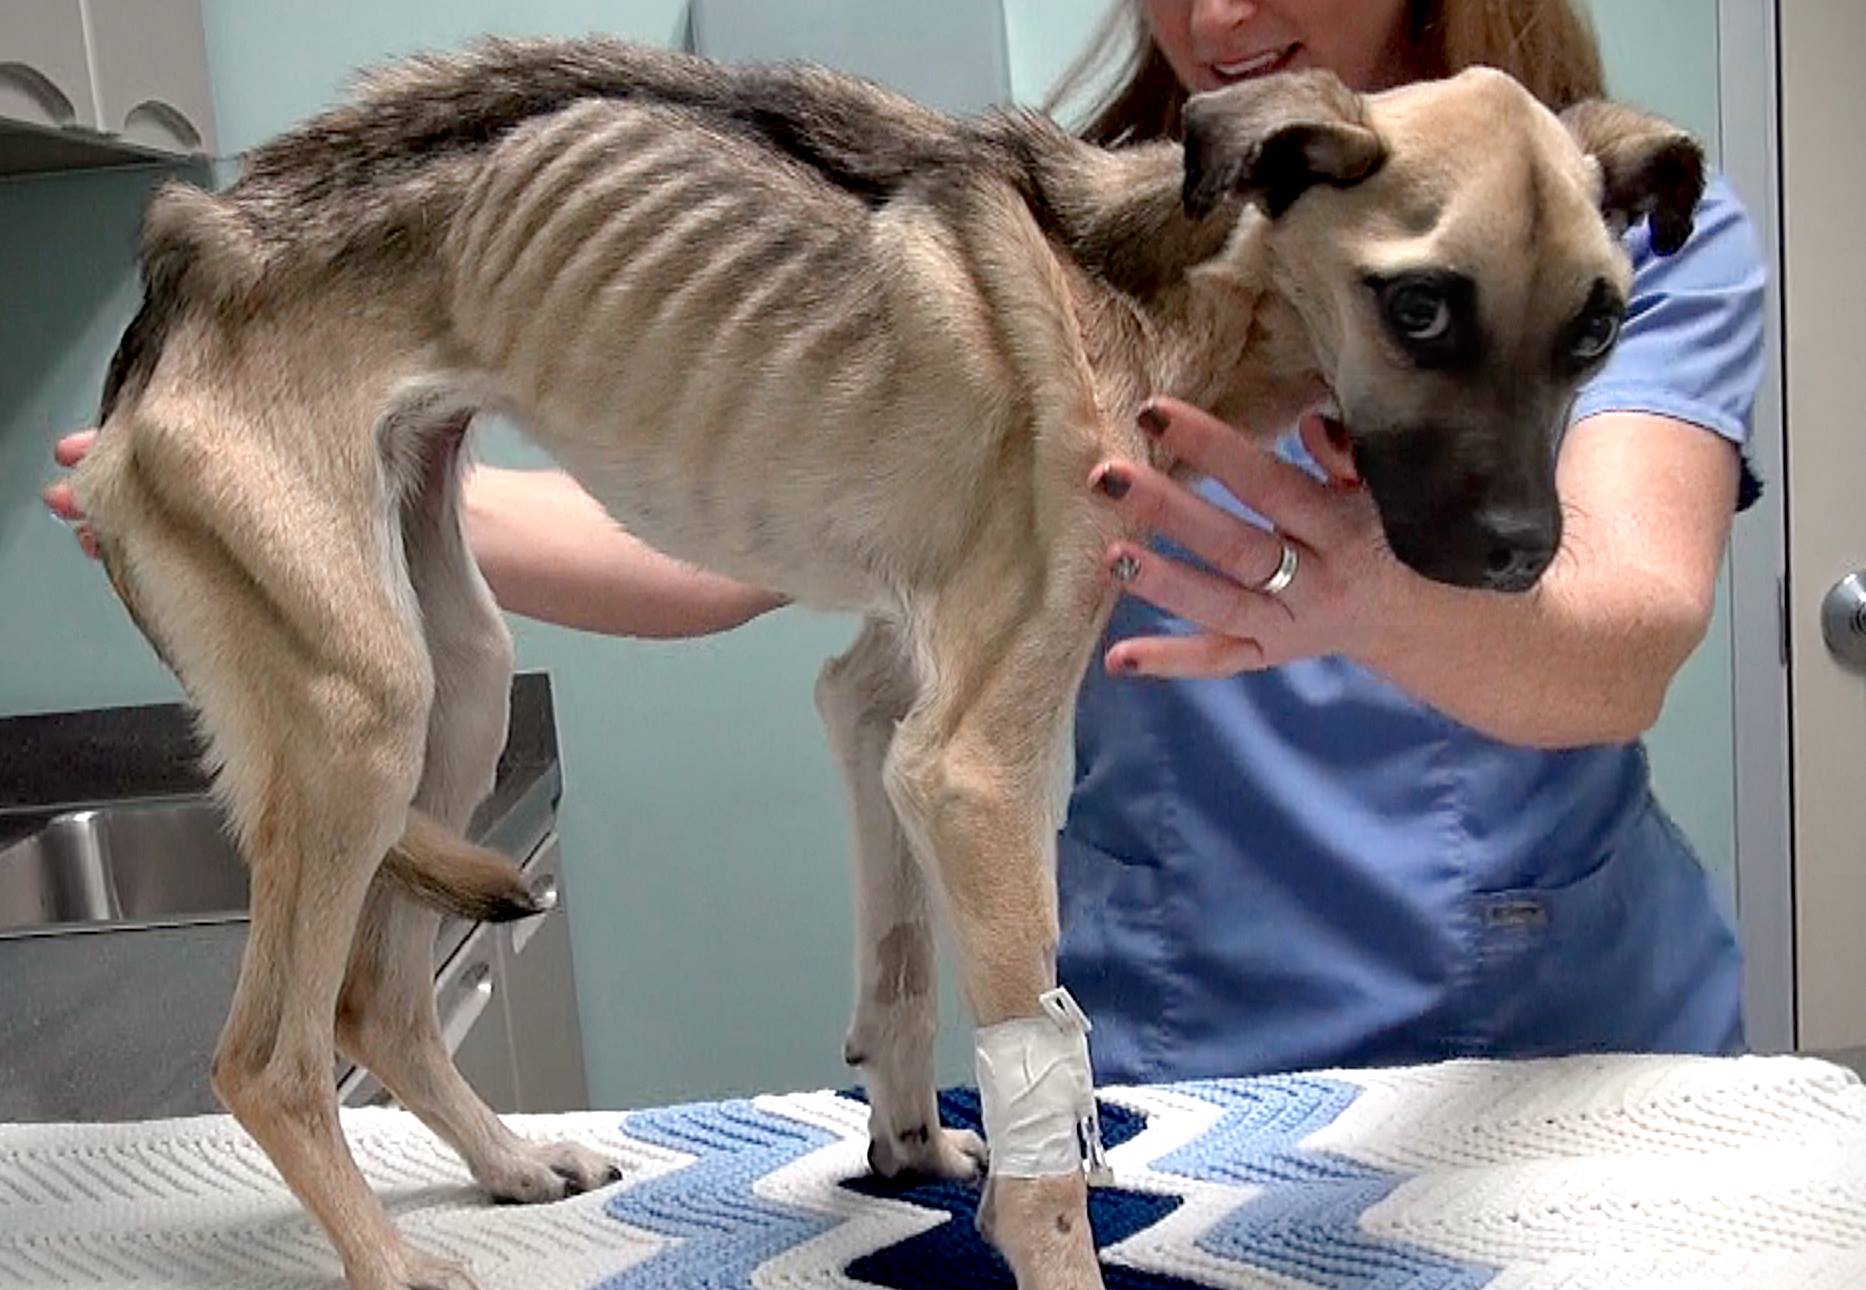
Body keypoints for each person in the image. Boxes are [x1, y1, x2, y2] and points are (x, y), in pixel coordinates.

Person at [47, 0, 1767, 1086]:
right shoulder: (1089, 228)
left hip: (1529, 1054)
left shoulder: (1605, 239)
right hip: (1176, 1041)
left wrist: (1367, 590)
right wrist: (332, 505)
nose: (1219, 12)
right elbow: (759, 539)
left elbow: (1623, 629)